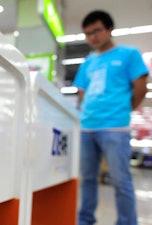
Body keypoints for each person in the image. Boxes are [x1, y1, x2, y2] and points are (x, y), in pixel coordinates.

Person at [73, 10, 149, 225]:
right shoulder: (87, 62)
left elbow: (141, 88)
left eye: (96, 31)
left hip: (115, 127)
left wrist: (124, 110)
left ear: (109, 29)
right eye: (87, 34)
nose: (92, 37)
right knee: (87, 179)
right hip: (88, 127)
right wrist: (83, 110)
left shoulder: (129, 54)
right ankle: (85, 220)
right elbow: (81, 92)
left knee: (120, 180)